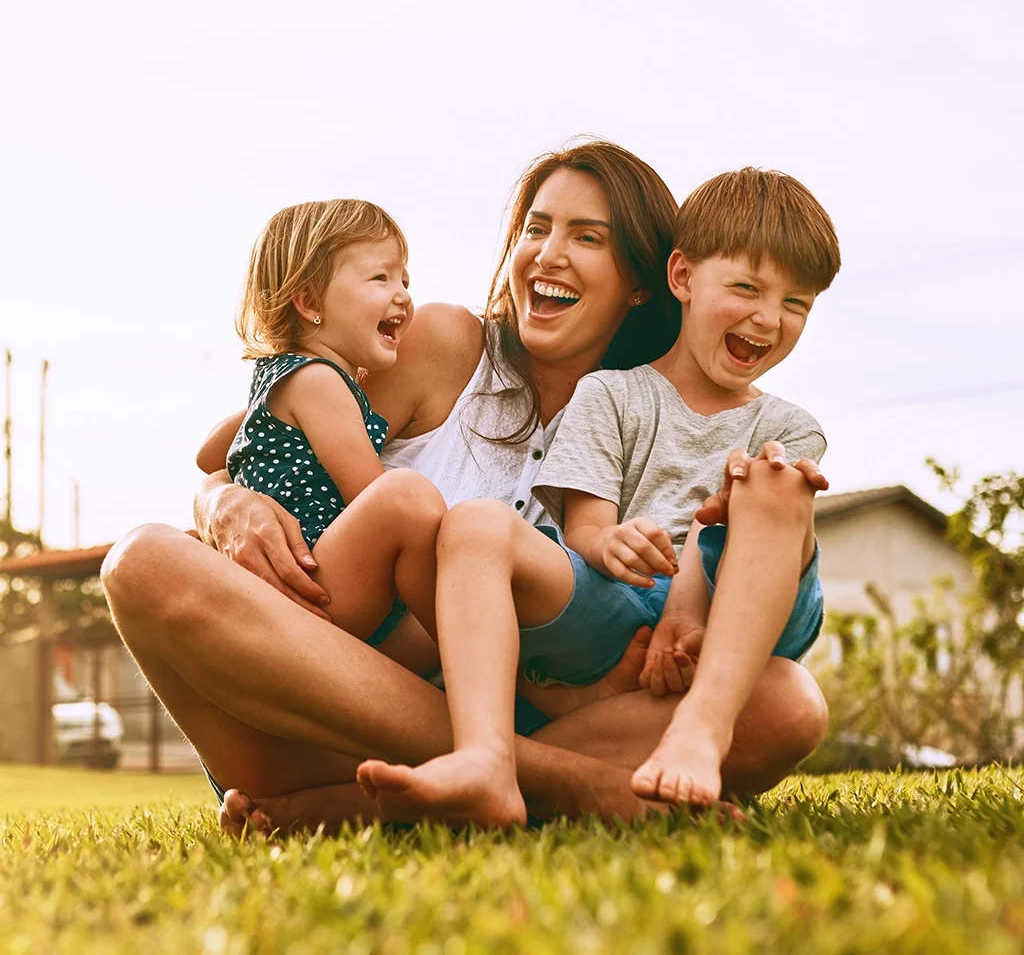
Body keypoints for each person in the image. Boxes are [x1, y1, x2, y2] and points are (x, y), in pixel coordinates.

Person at [101, 141, 829, 833]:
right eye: (536, 228)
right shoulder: (442, 345)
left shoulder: (660, 419)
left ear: (643, 282)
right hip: (315, 713)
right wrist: (225, 502)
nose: (547, 253)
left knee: (786, 703)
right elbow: (264, 431)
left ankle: (390, 797)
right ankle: (555, 782)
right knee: (141, 562)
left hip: (543, 720)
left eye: (587, 237)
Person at [356, 168, 839, 827]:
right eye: (747, 288)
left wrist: (692, 608)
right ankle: (485, 760)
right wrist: (607, 541)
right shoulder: (611, 394)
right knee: (475, 525)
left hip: (741, 614)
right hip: (623, 605)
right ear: (682, 279)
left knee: (771, 484)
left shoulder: (788, 426)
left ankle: (700, 729)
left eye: (796, 305)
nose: (767, 318)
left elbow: (740, 536)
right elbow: (584, 527)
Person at [224, 198, 442, 649]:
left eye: (405, 279)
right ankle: (468, 639)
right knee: (407, 497)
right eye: (381, 277)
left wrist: (233, 487)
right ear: (308, 301)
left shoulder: (280, 375)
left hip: (306, 585)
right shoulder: (319, 381)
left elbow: (213, 453)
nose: (402, 294)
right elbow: (372, 495)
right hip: (316, 583)